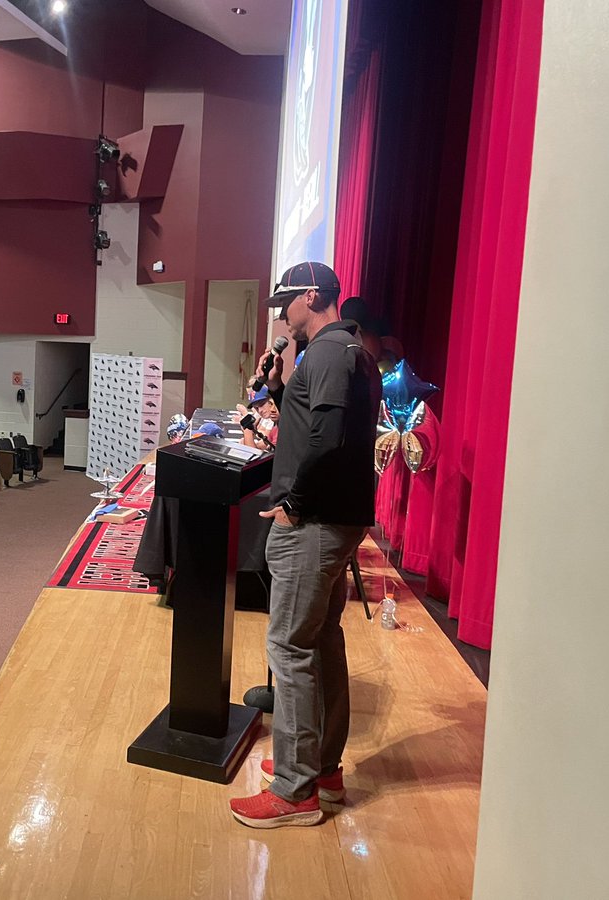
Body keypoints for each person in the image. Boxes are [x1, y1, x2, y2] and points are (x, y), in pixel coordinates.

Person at [229, 261, 380, 829]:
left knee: (290, 649)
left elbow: (328, 436)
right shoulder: (342, 352)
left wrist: (292, 503)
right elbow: (312, 423)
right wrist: (275, 386)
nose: (279, 313)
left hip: (313, 523)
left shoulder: (330, 353)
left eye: (285, 303)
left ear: (312, 296)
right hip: (330, 520)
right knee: (318, 641)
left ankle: (295, 791)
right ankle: (320, 768)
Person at [235, 386, 280, 451]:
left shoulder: (283, 426)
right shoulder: (275, 426)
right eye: (256, 408)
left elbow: (252, 454)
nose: (260, 410)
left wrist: (247, 430)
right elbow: (261, 446)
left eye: (262, 404)